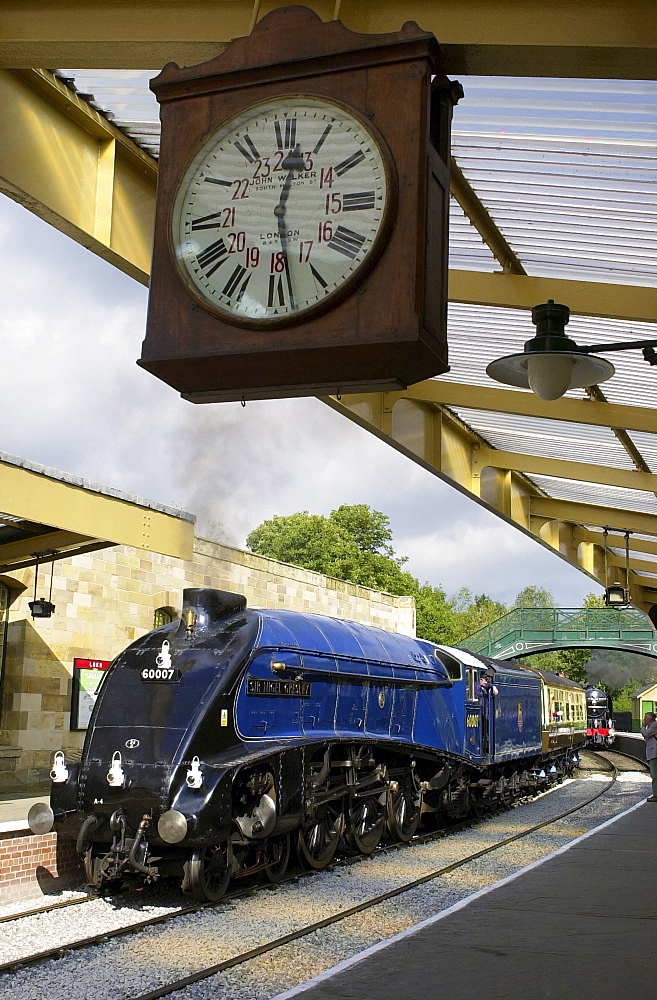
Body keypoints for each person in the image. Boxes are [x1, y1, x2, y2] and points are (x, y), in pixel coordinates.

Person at [640, 711, 657, 802]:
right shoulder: (652, 726)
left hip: (654, 753)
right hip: (653, 752)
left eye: (645, 718)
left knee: (654, 775)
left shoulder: (654, 725)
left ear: (649, 719)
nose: (644, 719)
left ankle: (656, 795)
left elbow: (646, 734)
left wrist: (643, 726)